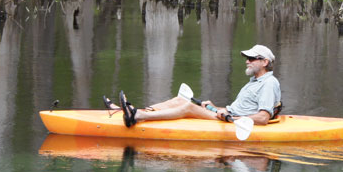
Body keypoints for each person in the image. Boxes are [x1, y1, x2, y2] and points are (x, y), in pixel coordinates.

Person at [110, 44, 282, 128]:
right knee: (180, 99)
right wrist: (216, 107)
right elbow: (242, 109)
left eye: (252, 59)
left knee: (187, 107)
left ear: (265, 62)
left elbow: (263, 118)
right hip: (227, 115)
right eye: (247, 58)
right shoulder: (254, 82)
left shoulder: (268, 83)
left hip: (233, 122)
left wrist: (231, 118)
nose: (247, 61)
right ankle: (135, 110)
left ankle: (138, 117)